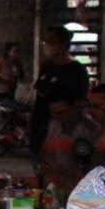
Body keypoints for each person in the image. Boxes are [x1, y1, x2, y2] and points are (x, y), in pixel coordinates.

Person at [31, 25, 89, 154]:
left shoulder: (77, 70)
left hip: (64, 128)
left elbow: (81, 102)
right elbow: (40, 93)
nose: (46, 45)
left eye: (51, 42)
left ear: (63, 45)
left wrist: (66, 109)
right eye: (45, 41)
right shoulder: (47, 66)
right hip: (41, 124)